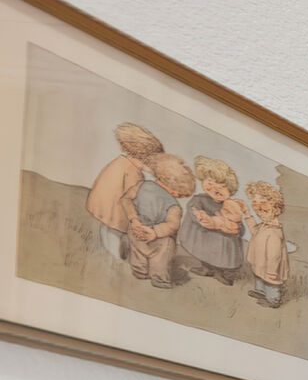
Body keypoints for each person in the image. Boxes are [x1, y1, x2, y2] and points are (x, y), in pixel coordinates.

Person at [85, 123, 162, 260]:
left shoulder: (120, 161)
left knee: (107, 228)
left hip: (106, 205)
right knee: (115, 233)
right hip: (116, 208)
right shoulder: (134, 172)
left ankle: (109, 254)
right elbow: (134, 196)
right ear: (144, 157)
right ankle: (115, 258)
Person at [177, 156, 249, 284]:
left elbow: (240, 226)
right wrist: (202, 217)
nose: (215, 189)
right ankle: (207, 268)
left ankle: (224, 274)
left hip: (224, 243)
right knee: (205, 253)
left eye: (221, 187)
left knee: (226, 258)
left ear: (230, 190)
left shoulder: (231, 205)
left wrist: (234, 228)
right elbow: (193, 211)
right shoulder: (199, 199)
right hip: (204, 239)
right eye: (210, 183)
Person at [127, 154, 194, 289]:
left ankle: (140, 271)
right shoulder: (173, 205)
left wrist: (134, 219)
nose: (179, 196)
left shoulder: (141, 185)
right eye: (180, 194)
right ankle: (160, 278)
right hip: (158, 237)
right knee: (162, 256)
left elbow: (126, 200)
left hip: (136, 228)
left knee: (137, 250)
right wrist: (155, 232)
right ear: (176, 190)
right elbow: (173, 225)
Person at [244, 180, 288, 308]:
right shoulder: (263, 225)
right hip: (261, 262)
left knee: (271, 283)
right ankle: (260, 292)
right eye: (255, 203)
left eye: (263, 203)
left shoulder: (274, 232)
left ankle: (273, 300)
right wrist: (247, 215)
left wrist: (272, 271)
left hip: (270, 268)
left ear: (275, 207)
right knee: (259, 276)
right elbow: (254, 232)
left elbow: (275, 256)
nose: (258, 208)